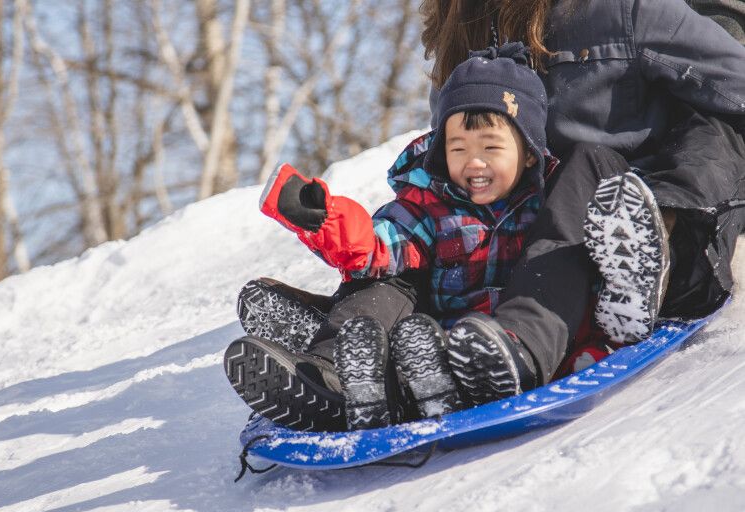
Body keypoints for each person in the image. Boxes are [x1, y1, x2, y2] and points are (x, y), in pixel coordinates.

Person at [226, 42, 668, 431]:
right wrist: (323, 218)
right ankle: (335, 373)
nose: (473, 163)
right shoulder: (429, 203)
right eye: (458, 149)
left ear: (530, 153)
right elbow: (380, 244)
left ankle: (474, 364)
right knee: (383, 278)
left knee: (555, 263)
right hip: (435, 343)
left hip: (511, 343)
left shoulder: (551, 200)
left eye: (491, 148)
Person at [419, 0, 745, 389]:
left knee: (705, 133)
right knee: (412, 217)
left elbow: (733, 82)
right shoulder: (461, 38)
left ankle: (653, 250)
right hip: (514, 232)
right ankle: (348, 360)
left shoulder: (620, 11)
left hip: (625, 210)